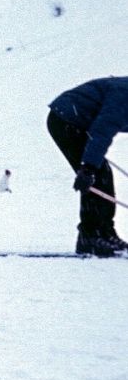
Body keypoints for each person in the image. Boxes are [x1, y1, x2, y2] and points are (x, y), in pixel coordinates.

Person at [47, 76, 128, 256]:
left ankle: (105, 232)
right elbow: (102, 130)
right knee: (96, 174)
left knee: (102, 173)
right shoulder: (124, 96)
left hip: (80, 120)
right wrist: (88, 167)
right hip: (65, 119)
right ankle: (90, 236)